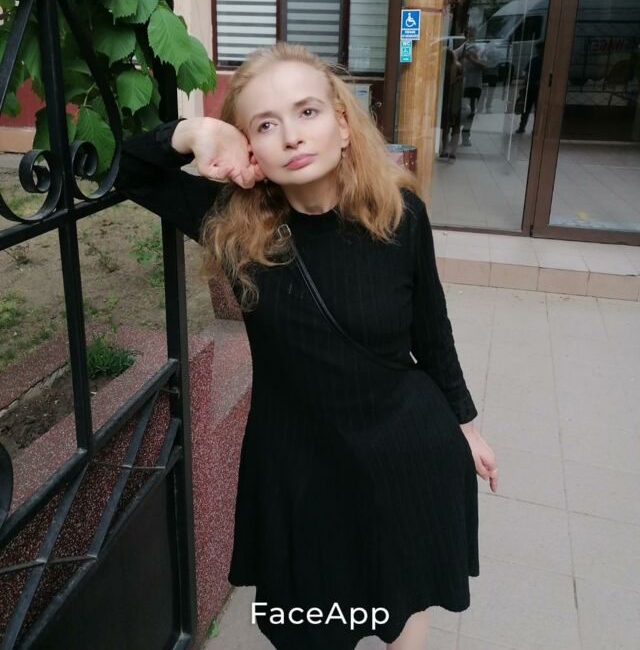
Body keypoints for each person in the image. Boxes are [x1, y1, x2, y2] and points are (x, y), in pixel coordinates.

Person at [114, 42, 498, 650]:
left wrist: (465, 426)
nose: (291, 135)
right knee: (312, 627)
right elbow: (121, 168)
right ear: (250, 148)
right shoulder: (233, 225)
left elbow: (432, 332)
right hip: (300, 471)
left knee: (402, 599)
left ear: (343, 125)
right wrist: (194, 133)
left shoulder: (399, 215)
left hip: (404, 453)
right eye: (266, 125)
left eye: (307, 112)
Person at [454, 26, 487, 147]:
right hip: (463, 84)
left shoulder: (481, 48)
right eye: (468, 33)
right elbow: (453, 55)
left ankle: (465, 136)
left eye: (472, 33)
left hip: (475, 84)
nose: (470, 35)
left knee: (471, 112)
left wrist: (471, 59)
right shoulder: (464, 47)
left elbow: (484, 65)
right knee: (461, 110)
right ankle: (455, 134)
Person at [438, 48, 463, 161]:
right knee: (456, 128)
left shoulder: (442, 68)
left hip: (445, 101)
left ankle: (444, 149)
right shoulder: (458, 67)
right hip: (456, 100)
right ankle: (453, 151)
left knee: (445, 127)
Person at [515, 41, 544, 134]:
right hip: (530, 88)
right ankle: (522, 127)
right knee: (526, 109)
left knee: (535, 110)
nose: (538, 51)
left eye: (539, 49)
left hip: (538, 89)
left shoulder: (544, 61)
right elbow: (526, 73)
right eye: (538, 49)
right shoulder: (534, 60)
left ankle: (532, 128)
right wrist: (525, 83)